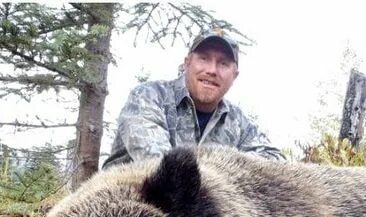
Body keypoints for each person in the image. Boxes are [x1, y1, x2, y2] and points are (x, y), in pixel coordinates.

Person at [103, 30, 284, 168]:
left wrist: (232, 171)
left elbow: (276, 163)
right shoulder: (148, 97)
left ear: (234, 75)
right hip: (122, 207)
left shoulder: (238, 122)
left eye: (223, 63)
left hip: (202, 210)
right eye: (204, 58)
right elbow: (158, 163)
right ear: (187, 63)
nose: (212, 70)